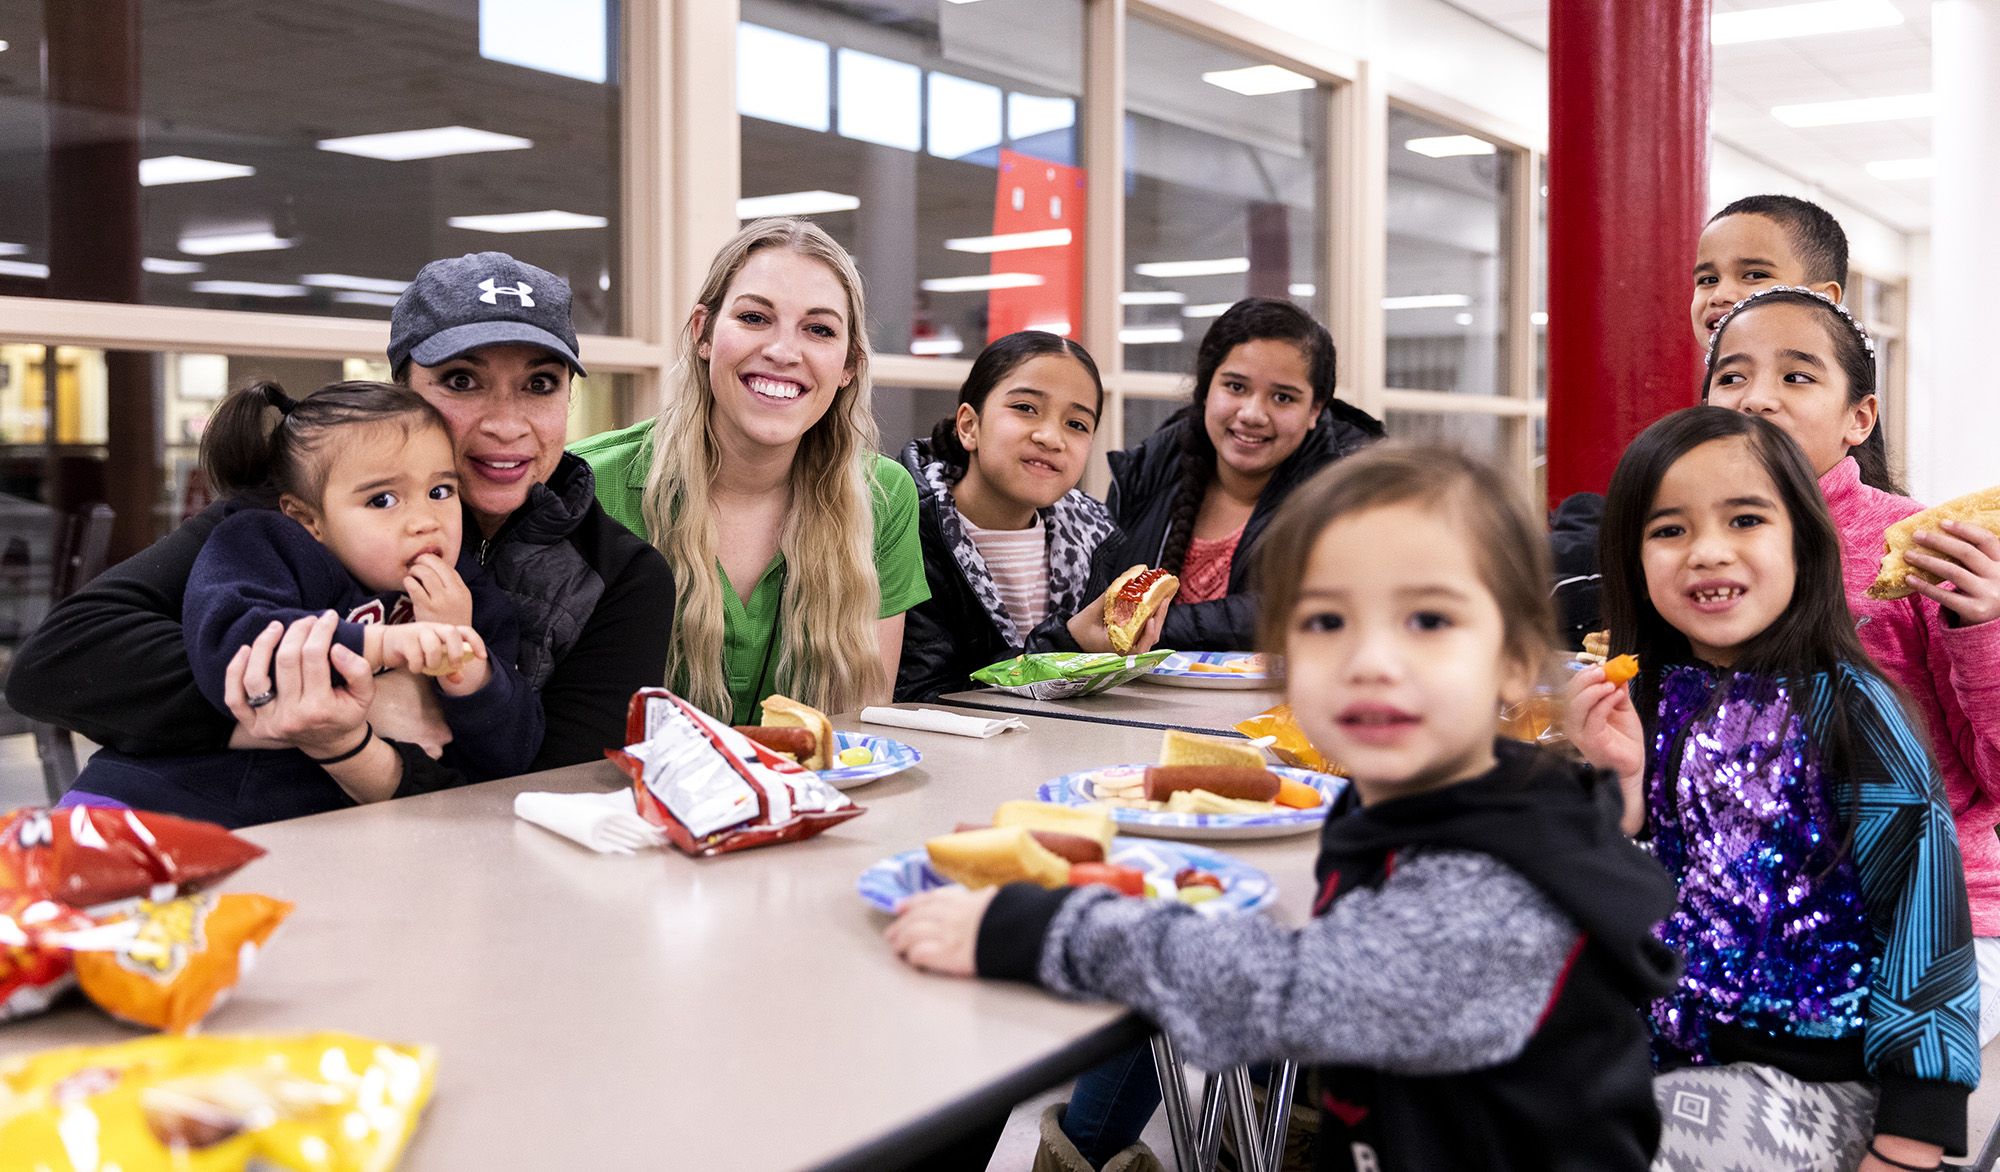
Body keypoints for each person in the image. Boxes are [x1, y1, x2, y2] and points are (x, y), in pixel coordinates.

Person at [890, 443, 1682, 1172]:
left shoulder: (1486, 884)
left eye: (1430, 621)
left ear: (1515, 662)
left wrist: (1035, 928)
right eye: (1327, 622)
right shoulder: (1475, 801)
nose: (1373, 661)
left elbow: (1281, 989)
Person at [7, 252, 675, 785]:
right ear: (400, 391)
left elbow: (545, 788)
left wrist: (377, 720)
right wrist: (352, 694)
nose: (505, 424)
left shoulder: (621, 577)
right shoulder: (291, 514)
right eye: (462, 381)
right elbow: (61, 663)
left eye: (540, 384)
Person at [1566, 406, 1979, 1172]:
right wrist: (1622, 796)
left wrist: (1908, 1140)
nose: (1708, 553)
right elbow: (1629, 901)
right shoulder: (1649, 699)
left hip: (1818, 1080)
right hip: (1663, 1051)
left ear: (1805, 544)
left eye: (1746, 518)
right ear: (1630, 561)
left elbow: (1924, 916)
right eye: (1669, 530)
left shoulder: (1852, 707)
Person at [1702, 285, 2000, 1046]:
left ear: (1857, 419)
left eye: (1797, 377)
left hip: (1936, 910)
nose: (1758, 399)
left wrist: (1985, 625)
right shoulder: (1686, 548)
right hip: (1753, 902)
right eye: (1732, 376)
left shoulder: (1925, 549)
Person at [61, 381, 540, 827]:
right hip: (145, 806)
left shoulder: (467, 597)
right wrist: (384, 645)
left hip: (299, 838)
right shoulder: (265, 545)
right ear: (307, 518)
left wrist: (464, 664)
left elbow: (509, 756)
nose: (425, 521)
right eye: (382, 500)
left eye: (441, 491)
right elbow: (237, 647)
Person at [572, 218, 927, 724]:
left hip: (813, 798)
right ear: (703, 334)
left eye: (819, 329)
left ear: (849, 365)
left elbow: (860, 731)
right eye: (756, 318)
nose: (783, 351)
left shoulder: (883, 496)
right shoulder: (586, 486)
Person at [1027, 297, 1382, 656]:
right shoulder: (1149, 470)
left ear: (1314, 410)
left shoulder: (1346, 492)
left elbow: (1293, 609)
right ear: (1206, 388)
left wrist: (1146, 629)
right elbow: (1097, 602)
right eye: (1236, 387)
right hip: (1130, 707)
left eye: (1283, 397)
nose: (1253, 413)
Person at [894, 331, 1115, 701]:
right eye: (1026, 408)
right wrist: (1070, 642)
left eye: (1076, 424)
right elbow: (924, 697)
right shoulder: (908, 529)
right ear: (969, 426)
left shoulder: (1096, 539)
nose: (1051, 437)